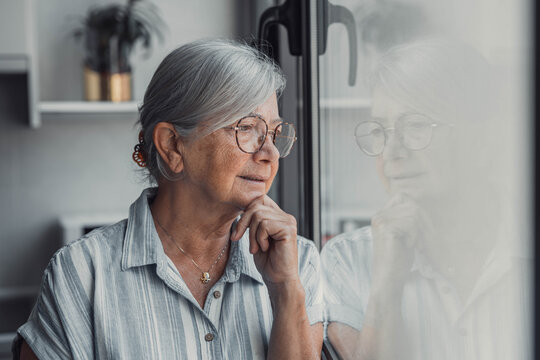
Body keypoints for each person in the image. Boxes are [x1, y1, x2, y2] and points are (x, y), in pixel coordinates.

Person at [13, 39, 324, 359]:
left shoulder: (298, 263)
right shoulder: (81, 273)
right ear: (172, 145)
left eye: (273, 134)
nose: (270, 154)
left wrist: (286, 290)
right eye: (246, 128)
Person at [321, 38, 531, 360]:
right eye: (380, 130)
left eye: (416, 126)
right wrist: (385, 291)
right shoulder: (346, 260)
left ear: (480, 136)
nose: (392, 152)